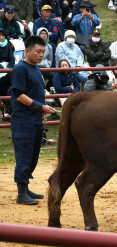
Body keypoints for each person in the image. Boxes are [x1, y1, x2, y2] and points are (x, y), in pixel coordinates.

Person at [10, 36, 55, 205]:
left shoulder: (36, 69)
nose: (41, 55)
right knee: (24, 155)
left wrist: (41, 113)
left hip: (35, 119)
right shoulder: (20, 69)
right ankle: (21, 193)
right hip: (23, 120)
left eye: (43, 52)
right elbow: (19, 95)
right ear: (27, 51)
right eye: (38, 51)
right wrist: (40, 107)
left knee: (33, 156)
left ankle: (26, 187)